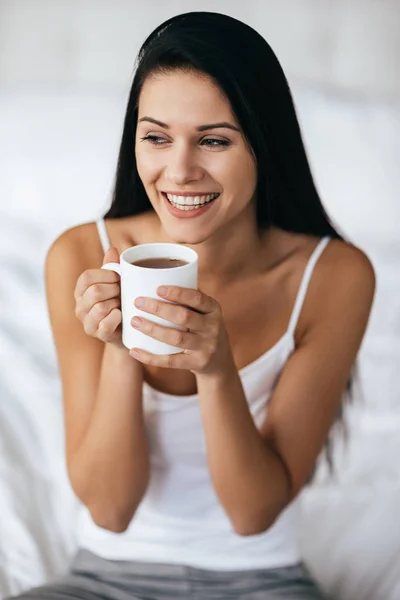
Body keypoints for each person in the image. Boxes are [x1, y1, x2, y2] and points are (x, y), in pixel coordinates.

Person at [10, 11, 375, 600]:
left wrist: (216, 366)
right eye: (156, 137)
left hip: (263, 581)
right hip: (102, 576)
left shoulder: (333, 276)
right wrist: (121, 346)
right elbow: (110, 509)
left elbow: (253, 515)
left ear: (263, 142)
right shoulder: (79, 253)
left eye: (213, 140)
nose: (178, 171)